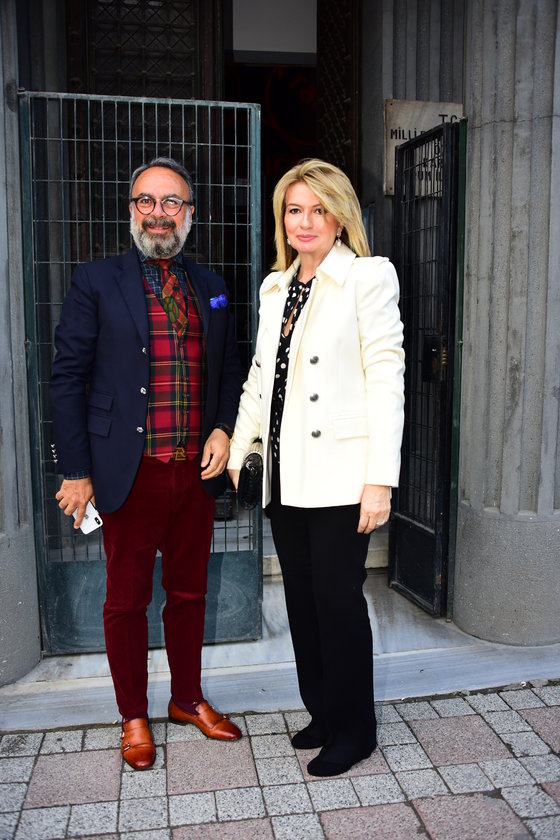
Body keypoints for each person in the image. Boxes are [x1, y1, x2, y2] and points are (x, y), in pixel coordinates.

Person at [50, 157, 243, 770]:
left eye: (171, 202)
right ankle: (133, 714)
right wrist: (75, 469)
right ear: (131, 209)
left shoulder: (211, 284)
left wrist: (223, 429)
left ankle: (187, 699)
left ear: (190, 213)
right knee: (126, 601)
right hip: (126, 472)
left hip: (194, 472)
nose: (158, 213)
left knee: (190, 593)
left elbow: (230, 369)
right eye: (146, 201)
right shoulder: (95, 280)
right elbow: (67, 378)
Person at [228, 159, 405, 777]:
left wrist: (379, 480)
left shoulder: (366, 277)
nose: (305, 222)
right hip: (285, 476)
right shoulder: (275, 288)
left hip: (342, 476)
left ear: (340, 217)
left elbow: (386, 380)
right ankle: (324, 713)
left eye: (318, 209)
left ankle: (356, 729)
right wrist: (241, 448)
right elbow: (261, 377)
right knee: (302, 603)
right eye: (294, 210)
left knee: (337, 602)